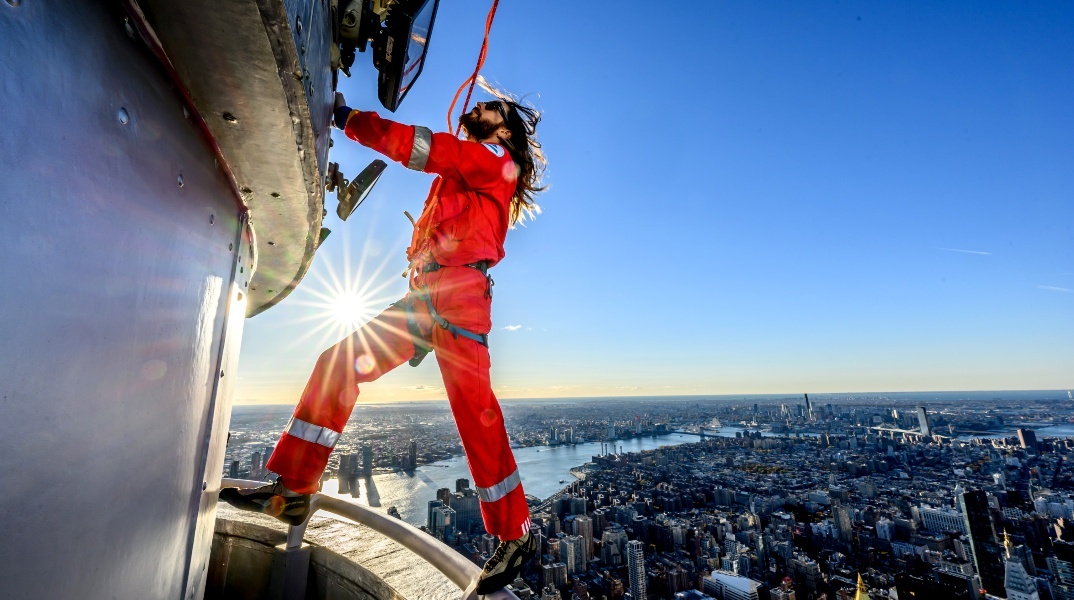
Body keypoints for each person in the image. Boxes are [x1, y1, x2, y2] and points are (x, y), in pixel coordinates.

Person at [221, 91, 545, 594]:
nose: (479, 109)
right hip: (428, 296)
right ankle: (296, 490)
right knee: (340, 362)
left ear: (504, 132)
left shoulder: (492, 160)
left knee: (475, 413)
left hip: (458, 297)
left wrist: (350, 120)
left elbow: (422, 147)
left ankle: (514, 533)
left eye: (491, 110)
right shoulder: (467, 174)